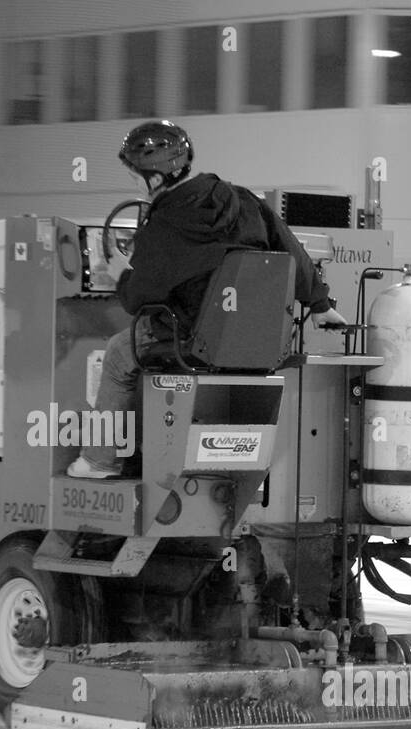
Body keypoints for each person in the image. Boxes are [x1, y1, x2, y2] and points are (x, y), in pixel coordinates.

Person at [67, 120, 350, 479]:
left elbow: (139, 299)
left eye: (135, 176)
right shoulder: (245, 201)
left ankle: (98, 461)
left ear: (155, 179)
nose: (134, 183)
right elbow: (292, 251)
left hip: (190, 339)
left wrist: (122, 272)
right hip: (256, 344)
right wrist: (319, 305)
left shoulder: (166, 223)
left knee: (120, 353)